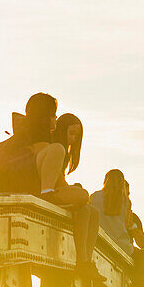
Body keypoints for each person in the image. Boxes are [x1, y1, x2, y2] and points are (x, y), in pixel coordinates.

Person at [38, 113, 102, 278]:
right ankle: (82, 262)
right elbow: (50, 184)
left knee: (92, 212)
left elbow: (60, 181)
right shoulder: (55, 148)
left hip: (57, 193)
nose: (73, 139)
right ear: (62, 130)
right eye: (71, 133)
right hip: (48, 196)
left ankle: (85, 261)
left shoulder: (63, 152)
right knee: (83, 201)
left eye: (77, 136)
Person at [90, 169, 144, 287]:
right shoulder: (126, 203)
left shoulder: (94, 197)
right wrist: (131, 225)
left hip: (98, 244)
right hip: (122, 249)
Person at [0, 92, 57, 194]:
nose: (56, 118)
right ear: (45, 117)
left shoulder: (8, 144)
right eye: (53, 114)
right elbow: (58, 183)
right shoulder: (44, 146)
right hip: (21, 195)